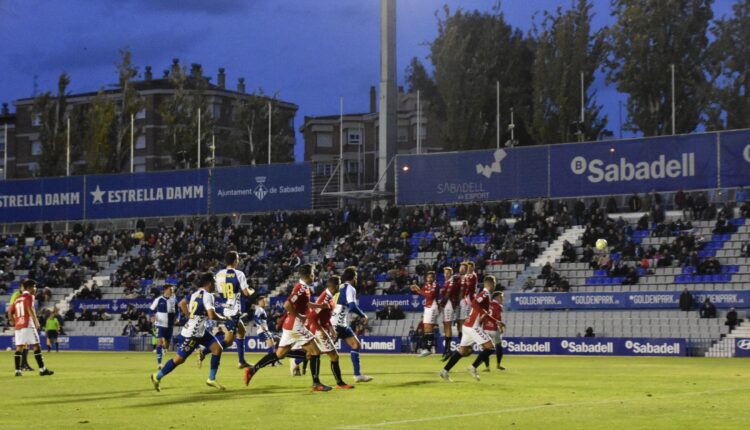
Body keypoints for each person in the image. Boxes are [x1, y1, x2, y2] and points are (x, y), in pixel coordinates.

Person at [243, 264, 334, 391]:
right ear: (309, 275)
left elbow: (305, 304)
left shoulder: (303, 287)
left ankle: (252, 370)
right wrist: (300, 317)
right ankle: (316, 383)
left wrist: (319, 306)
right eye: (313, 274)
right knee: (316, 352)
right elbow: (287, 304)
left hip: (289, 325)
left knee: (279, 354)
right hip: (295, 325)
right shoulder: (301, 288)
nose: (314, 276)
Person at [150, 272, 227, 392]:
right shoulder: (208, 295)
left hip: (200, 331)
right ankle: (157, 376)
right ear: (209, 283)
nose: (215, 285)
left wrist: (189, 315)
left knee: (217, 348)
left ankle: (211, 379)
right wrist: (223, 318)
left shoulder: (195, 294)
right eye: (214, 282)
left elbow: (181, 303)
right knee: (179, 359)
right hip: (192, 334)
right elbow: (211, 315)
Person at [439, 276, 498, 382]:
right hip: (472, 326)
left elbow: (482, 312)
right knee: (490, 348)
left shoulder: (486, 295)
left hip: (467, 326)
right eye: (494, 283)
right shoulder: (485, 294)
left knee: (461, 352)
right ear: (491, 284)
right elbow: (475, 304)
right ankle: (473, 367)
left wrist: (496, 321)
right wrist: (483, 312)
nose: (495, 285)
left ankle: (444, 371)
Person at [308, 275, 354, 389]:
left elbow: (325, 315)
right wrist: (320, 329)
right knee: (334, 356)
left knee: (314, 354)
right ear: (336, 286)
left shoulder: (330, 297)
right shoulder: (325, 298)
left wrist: (331, 328)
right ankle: (339, 383)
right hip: (318, 330)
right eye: (340, 284)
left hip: (321, 328)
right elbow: (312, 316)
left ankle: (316, 383)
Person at [330, 266, 373, 383]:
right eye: (356, 277)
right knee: (321, 349)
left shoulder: (339, 286)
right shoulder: (350, 288)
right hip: (337, 323)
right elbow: (352, 306)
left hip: (340, 322)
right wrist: (363, 315)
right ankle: (296, 361)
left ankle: (357, 375)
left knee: (356, 345)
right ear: (354, 278)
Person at [215, 251, 254, 369]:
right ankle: (205, 351)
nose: (238, 261)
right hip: (233, 310)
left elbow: (217, 291)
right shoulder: (239, 274)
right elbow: (246, 293)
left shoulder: (219, 274)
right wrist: (252, 290)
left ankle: (241, 361)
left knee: (241, 331)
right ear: (235, 261)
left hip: (224, 308)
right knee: (228, 341)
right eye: (237, 259)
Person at [10, 279, 54, 377]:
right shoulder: (30, 296)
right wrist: (36, 321)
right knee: (36, 346)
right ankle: (42, 369)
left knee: (19, 347)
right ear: (29, 288)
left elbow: (10, 312)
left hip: (19, 325)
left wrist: (14, 322)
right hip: (27, 324)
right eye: (34, 287)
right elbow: (30, 308)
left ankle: (17, 371)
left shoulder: (17, 298)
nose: (35, 289)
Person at [410, 271, 438, 358]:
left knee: (429, 328)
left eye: (431, 277)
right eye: (428, 277)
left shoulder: (435, 285)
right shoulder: (426, 285)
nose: (429, 279)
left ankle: (429, 348)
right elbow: (423, 292)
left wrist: (418, 290)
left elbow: (430, 296)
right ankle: (426, 348)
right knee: (426, 328)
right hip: (427, 306)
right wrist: (416, 289)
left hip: (433, 306)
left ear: (434, 278)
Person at [149, 284, 176, 370]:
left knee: (167, 344)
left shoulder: (174, 300)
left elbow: (177, 310)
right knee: (159, 341)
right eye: (170, 289)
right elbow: (151, 309)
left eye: (172, 289)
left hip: (170, 325)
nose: (171, 290)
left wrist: (178, 317)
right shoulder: (158, 299)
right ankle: (159, 363)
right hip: (160, 324)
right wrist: (152, 316)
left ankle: (165, 348)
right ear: (165, 290)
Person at [439, 266, 460, 361]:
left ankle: (448, 350)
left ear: (451, 274)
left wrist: (441, 305)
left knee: (447, 326)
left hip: (449, 305)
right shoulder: (447, 282)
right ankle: (447, 349)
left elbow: (447, 294)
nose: (446, 275)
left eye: (448, 273)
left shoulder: (451, 282)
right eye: (445, 273)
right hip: (447, 305)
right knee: (446, 326)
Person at [481, 292, 505, 371]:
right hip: (494, 329)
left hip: (485, 329)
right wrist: (501, 327)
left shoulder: (486, 304)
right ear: (497, 297)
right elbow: (498, 318)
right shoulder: (498, 306)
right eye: (501, 297)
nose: (502, 299)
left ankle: (487, 367)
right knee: (499, 346)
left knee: (485, 349)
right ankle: (498, 364)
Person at [253, 295, 281, 367]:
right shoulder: (259, 309)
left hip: (266, 330)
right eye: (263, 301)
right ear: (259, 302)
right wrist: (260, 325)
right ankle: (271, 362)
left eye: (265, 301)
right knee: (271, 345)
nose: (265, 302)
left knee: (278, 339)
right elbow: (255, 317)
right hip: (262, 331)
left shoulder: (262, 309)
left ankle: (275, 360)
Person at [456, 262, 471, 341]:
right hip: (458, 301)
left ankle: (463, 333)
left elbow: (464, 291)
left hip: (464, 300)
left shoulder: (466, 278)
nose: (460, 269)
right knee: (458, 319)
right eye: (460, 267)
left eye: (462, 268)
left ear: (465, 270)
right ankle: (460, 332)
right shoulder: (457, 277)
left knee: (463, 318)